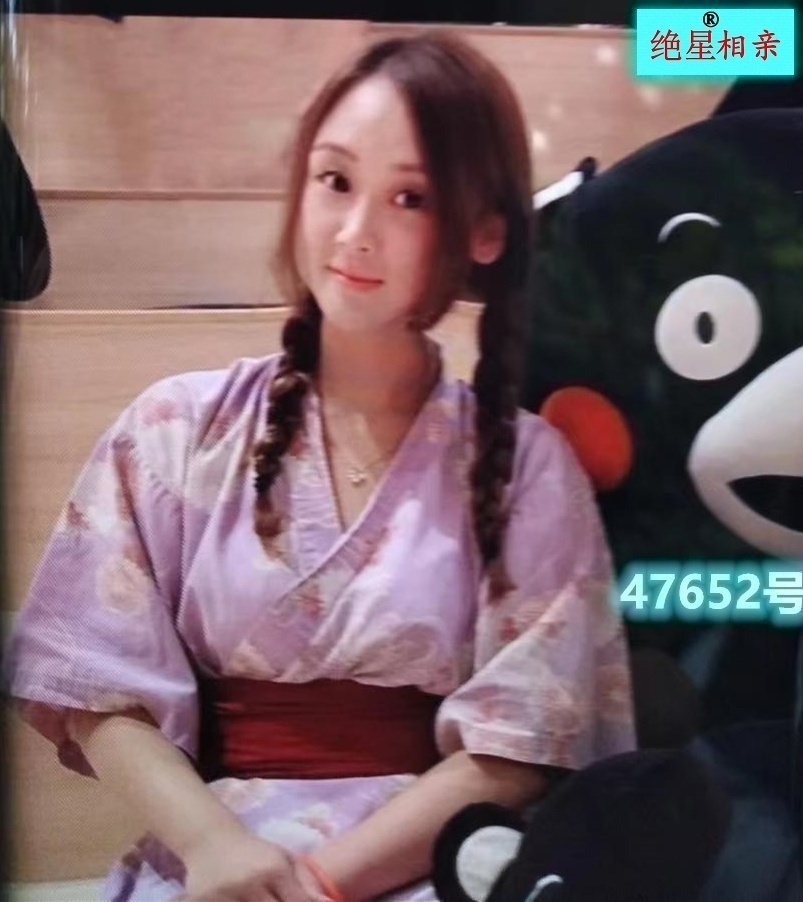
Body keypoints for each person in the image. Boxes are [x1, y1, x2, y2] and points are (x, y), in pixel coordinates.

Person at [4, 29, 636, 902]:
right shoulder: (174, 426)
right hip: (212, 864)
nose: (355, 231)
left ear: (484, 231)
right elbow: (92, 682)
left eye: (409, 197)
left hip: (435, 862)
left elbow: (522, 743)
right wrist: (215, 848)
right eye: (334, 181)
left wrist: (317, 885)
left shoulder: (527, 464)